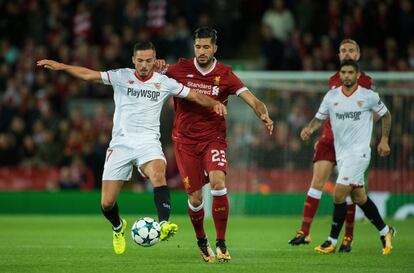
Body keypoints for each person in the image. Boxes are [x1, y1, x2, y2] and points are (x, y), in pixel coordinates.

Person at [37, 41, 227, 255]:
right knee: (107, 203)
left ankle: (163, 224)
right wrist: (62, 66)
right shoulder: (121, 76)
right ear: (133, 60)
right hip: (121, 144)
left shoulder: (164, 82)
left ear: (154, 60)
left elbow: (194, 95)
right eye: (140, 61)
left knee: (158, 173)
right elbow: (89, 75)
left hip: (148, 143)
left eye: (148, 61)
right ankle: (118, 226)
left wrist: (214, 103)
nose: (144, 65)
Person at [164, 26, 274, 263]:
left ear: (215, 48)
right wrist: (155, 65)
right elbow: (153, 74)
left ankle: (221, 242)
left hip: (213, 138)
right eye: (198, 47)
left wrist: (263, 114)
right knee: (195, 199)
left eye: (206, 47)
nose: (201, 51)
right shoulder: (178, 69)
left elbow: (253, 100)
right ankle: (202, 241)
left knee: (218, 181)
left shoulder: (226, 74)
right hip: (184, 142)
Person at [300, 59, 395, 255]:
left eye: (351, 72)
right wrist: (309, 129)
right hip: (342, 155)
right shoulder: (331, 96)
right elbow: (320, 118)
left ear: (358, 75)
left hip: (359, 154)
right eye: (343, 72)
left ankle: (331, 241)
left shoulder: (368, 96)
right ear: (340, 74)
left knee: (338, 193)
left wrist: (384, 139)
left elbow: (386, 115)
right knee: (359, 197)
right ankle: (386, 231)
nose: (346, 76)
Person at [289, 39, 374, 252]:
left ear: (358, 54)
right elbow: (326, 112)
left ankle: (348, 237)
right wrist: (311, 128)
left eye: (351, 50)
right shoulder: (332, 80)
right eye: (343, 50)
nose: (347, 53)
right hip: (329, 139)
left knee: (349, 189)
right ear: (338, 55)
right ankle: (304, 232)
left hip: (352, 144)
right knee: (316, 182)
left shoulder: (366, 82)